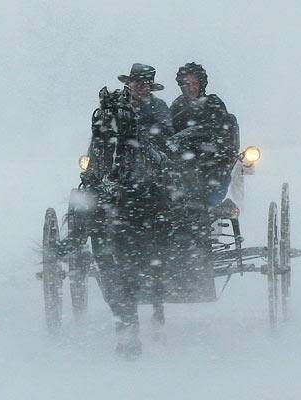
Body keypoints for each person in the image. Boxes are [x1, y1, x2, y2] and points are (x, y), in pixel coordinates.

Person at [86, 64, 172, 360]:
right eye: (138, 83)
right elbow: (99, 141)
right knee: (83, 200)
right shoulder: (112, 108)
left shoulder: (159, 108)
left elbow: (166, 140)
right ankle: (80, 229)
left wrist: (147, 145)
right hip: (113, 177)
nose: (142, 87)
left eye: (147, 83)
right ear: (130, 83)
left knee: (165, 201)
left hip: (145, 179)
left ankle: (139, 312)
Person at [169, 62, 239, 207]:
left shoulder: (214, 103)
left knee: (210, 186)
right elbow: (169, 134)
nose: (191, 88)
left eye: (195, 83)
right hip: (182, 165)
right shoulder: (177, 107)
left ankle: (206, 206)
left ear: (202, 84)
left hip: (211, 163)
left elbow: (223, 133)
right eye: (186, 84)